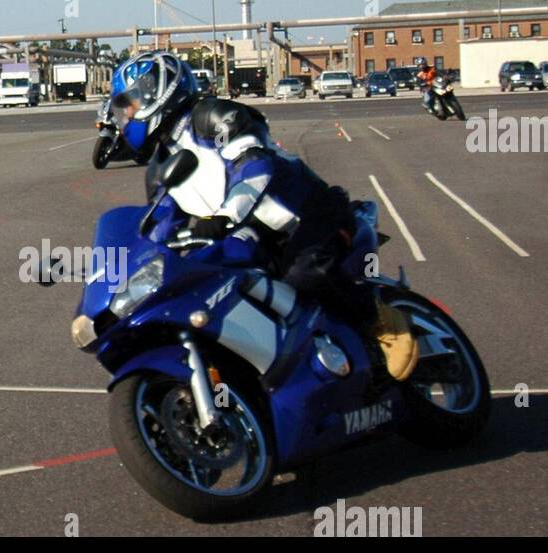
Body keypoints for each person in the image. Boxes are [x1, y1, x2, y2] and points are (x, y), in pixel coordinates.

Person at [109, 51, 411, 383]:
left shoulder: (211, 116)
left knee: (303, 272)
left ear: (158, 91)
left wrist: (226, 216)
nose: (126, 114)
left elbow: (253, 163)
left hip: (309, 212)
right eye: (123, 108)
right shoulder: (157, 170)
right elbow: (161, 229)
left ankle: (380, 318)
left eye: (131, 102)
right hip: (252, 238)